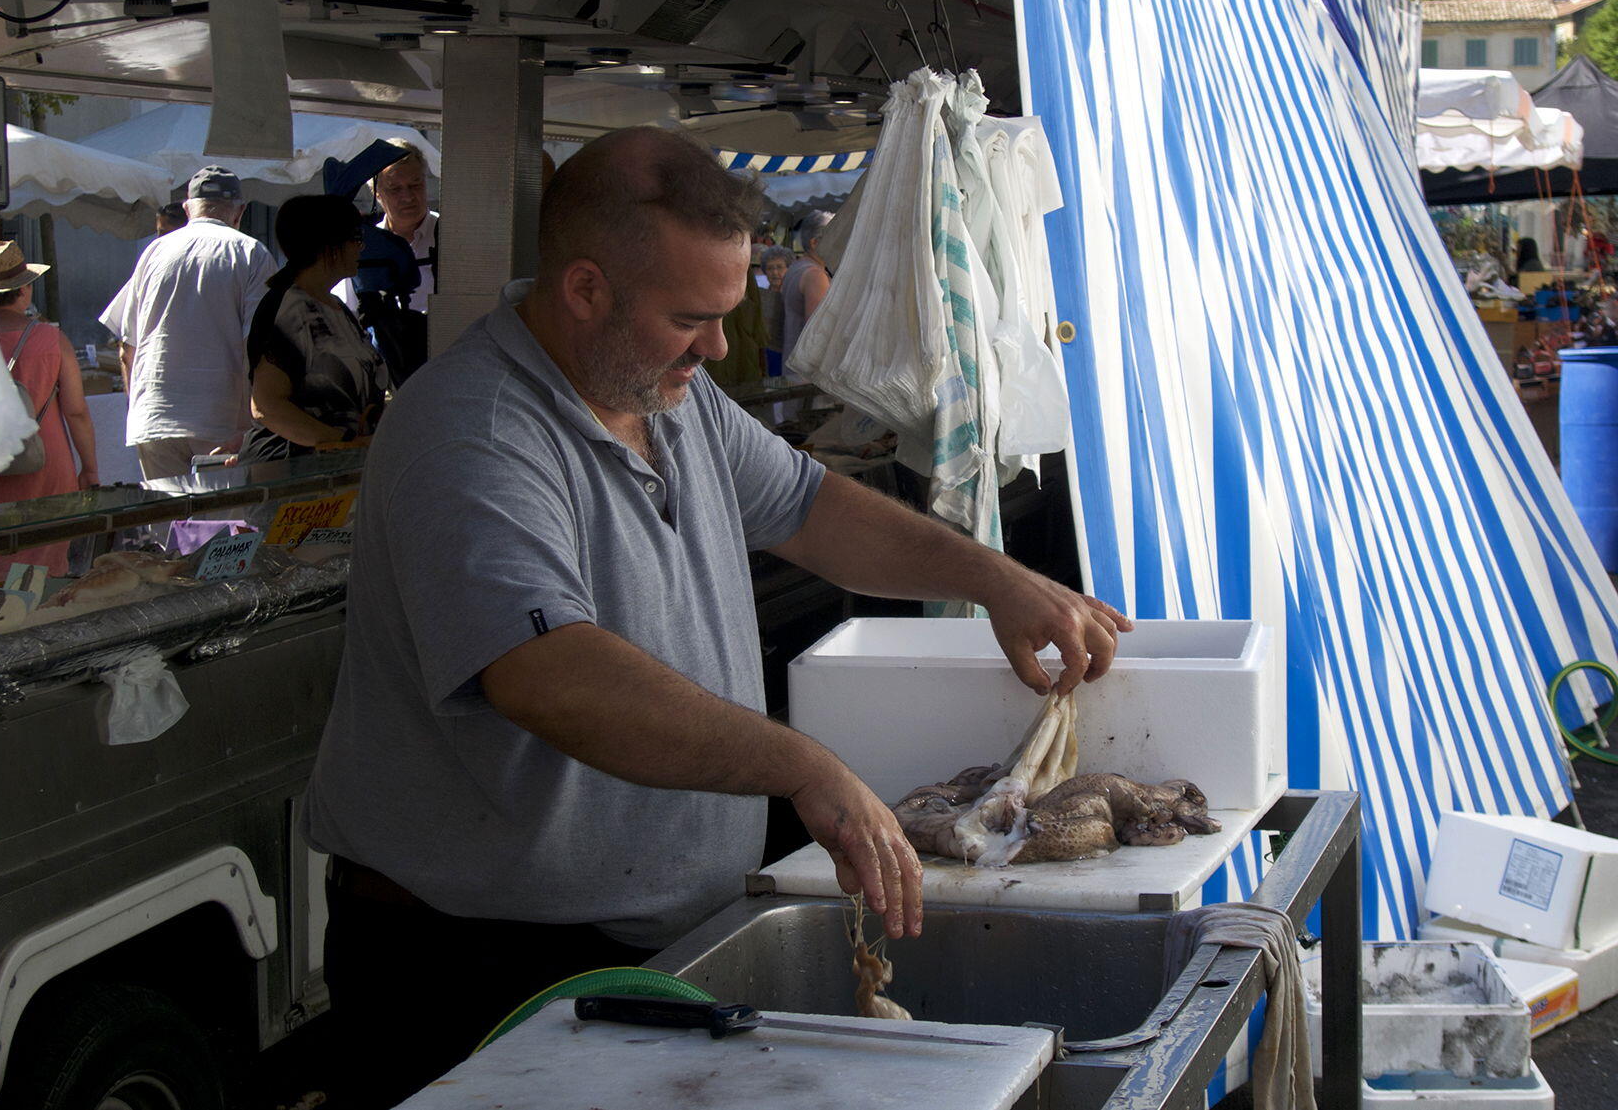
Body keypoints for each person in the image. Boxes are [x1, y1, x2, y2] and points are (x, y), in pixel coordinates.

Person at [303, 126, 1132, 1107]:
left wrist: (995, 576)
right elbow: (549, 671)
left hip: (650, 944)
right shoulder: (474, 430)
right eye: (692, 318)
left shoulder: (670, 396)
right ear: (584, 289)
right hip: (475, 966)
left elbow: (811, 505)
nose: (718, 346)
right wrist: (803, 764)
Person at [111, 166, 276, 479]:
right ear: (240, 211)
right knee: (224, 525)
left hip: (154, 418)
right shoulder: (250, 252)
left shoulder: (154, 251)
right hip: (220, 421)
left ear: (187, 209)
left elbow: (127, 347)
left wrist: (141, 409)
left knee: (168, 525)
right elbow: (257, 345)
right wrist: (258, 425)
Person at [0, 241, 99, 583]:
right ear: (25, 289)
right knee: (46, 572)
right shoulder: (51, 340)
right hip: (48, 463)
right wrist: (90, 468)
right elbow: (76, 411)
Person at [237, 196, 387, 464]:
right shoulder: (288, 308)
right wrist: (341, 442)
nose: (360, 248)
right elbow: (266, 407)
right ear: (328, 245)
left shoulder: (336, 307)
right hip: (291, 470)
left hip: (336, 467)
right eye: (355, 237)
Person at [335, 139, 437, 316]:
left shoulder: (450, 239)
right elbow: (346, 310)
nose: (407, 197)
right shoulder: (362, 247)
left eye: (415, 185)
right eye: (395, 188)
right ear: (377, 194)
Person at [780, 209, 834, 362]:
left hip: (793, 363)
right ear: (814, 243)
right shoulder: (815, 275)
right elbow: (819, 333)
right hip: (807, 371)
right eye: (834, 237)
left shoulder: (797, 267)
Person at [759, 246, 790, 360]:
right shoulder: (760, 296)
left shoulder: (792, 296)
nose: (775, 272)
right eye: (770, 268)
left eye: (779, 267)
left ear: (788, 268)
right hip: (764, 352)